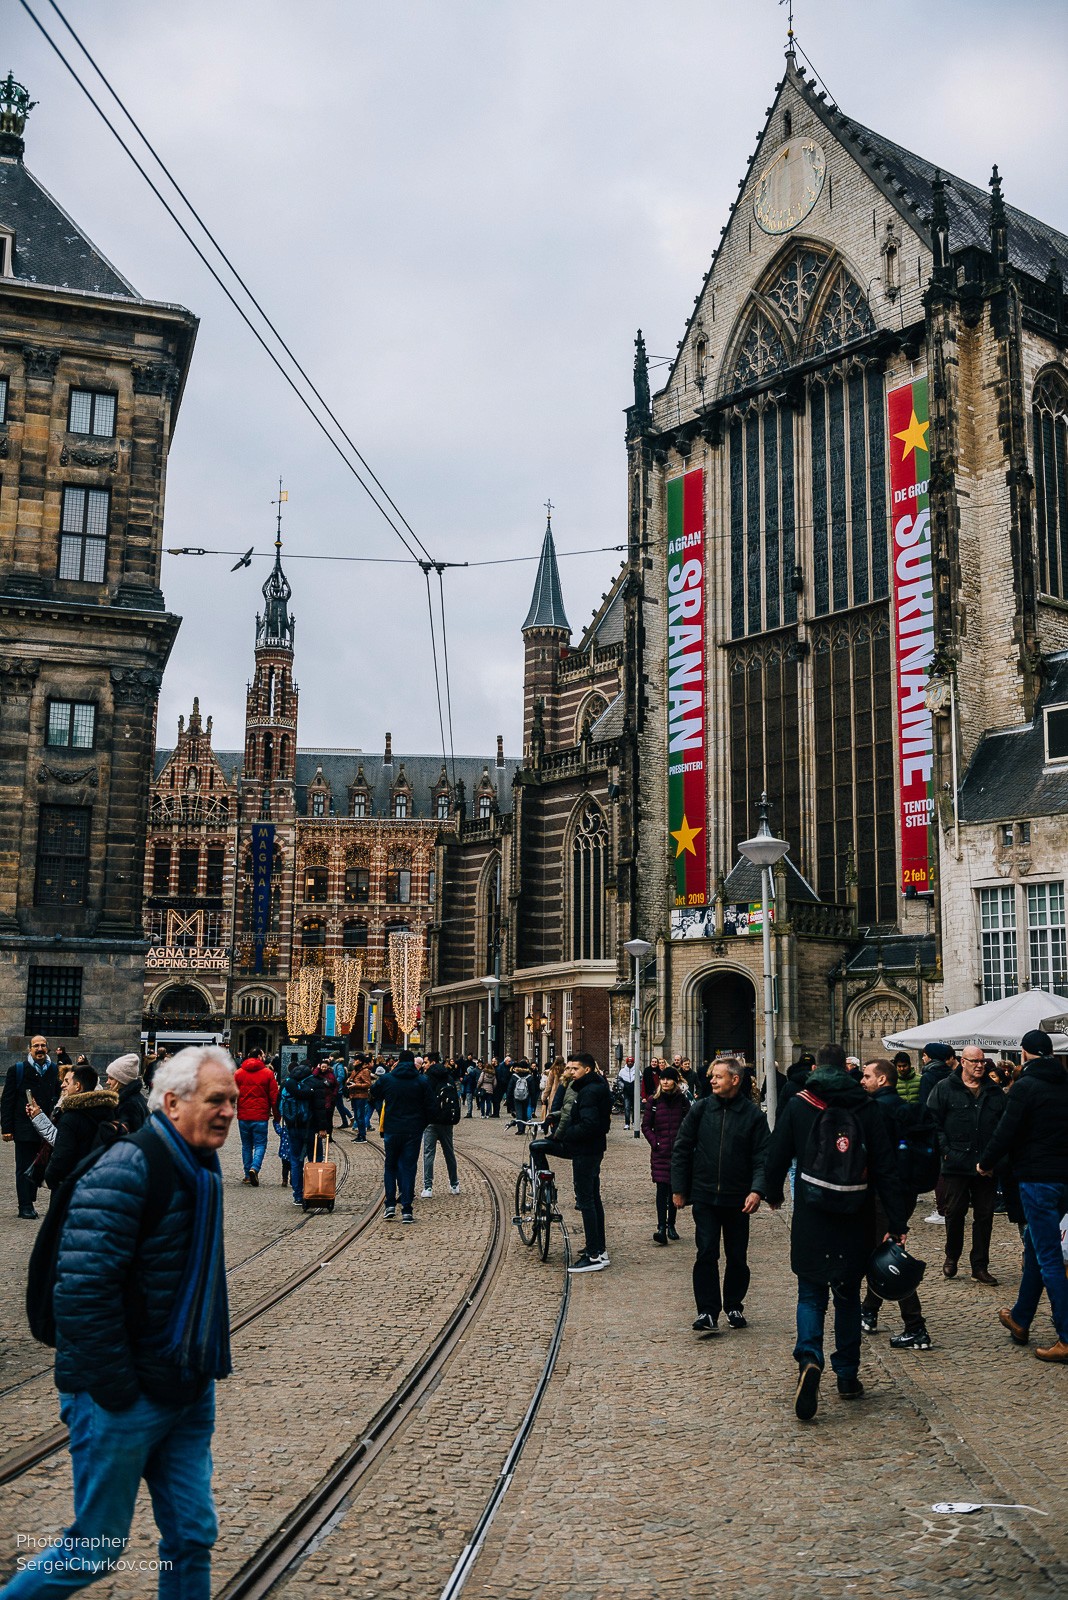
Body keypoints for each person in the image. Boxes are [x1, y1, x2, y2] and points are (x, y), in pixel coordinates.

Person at [1, 1046, 237, 1600]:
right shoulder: (131, 1167)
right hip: (125, 1393)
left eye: (232, 1098)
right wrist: (117, 1390)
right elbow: (81, 1289)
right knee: (96, 1548)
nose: (229, 1110)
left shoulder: (202, 1165)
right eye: (216, 1099)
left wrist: (191, 1371)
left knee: (191, 1537)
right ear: (172, 1103)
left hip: (184, 1382)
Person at [762, 1042, 908, 1421]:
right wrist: (897, 1223)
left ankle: (809, 1358)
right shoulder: (867, 1106)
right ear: (847, 1069)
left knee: (810, 1294)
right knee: (846, 1296)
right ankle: (847, 1375)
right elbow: (887, 1168)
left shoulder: (799, 1104)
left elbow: (776, 1152)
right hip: (854, 1213)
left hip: (813, 1213)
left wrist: (773, 1192)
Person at [978, 1028, 1068, 1363]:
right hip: (1063, 1181)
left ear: (1024, 1053)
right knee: (1035, 1247)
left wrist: (985, 1163)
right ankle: (1020, 1317)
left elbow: (1006, 1131)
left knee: (1049, 1259)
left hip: (1037, 1179)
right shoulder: (1064, 1083)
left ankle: (1066, 1336)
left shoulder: (1026, 1086)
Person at [671, 1056, 769, 1332]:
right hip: (704, 1196)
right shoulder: (701, 1109)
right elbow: (682, 1147)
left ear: (735, 1080)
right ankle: (707, 1311)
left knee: (737, 1256)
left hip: (738, 1198)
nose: (711, 1079)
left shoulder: (753, 1116)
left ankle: (734, 1305)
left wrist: (757, 1190)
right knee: (706, 1253)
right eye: (712, 1076)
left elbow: (763, 1156)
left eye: (718, 1076)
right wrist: (679, 1188)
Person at [859, 1059, 932, 1350]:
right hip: (905, 1192)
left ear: (882, 1080)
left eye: (867, 1076)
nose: (862, 1081)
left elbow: (877, 1158)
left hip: (885, 1194)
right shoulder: (902, 1107)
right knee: (882, 1250)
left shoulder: (876, 1110)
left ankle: (916, 1326)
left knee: (889, 1259)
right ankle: (869, 1311)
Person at [927, 1044, 1004, 1284]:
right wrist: (946, 1151)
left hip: (986, 1164)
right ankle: (952, 1256)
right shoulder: (944, 1089)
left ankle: (979, 1265)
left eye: (982, 1061)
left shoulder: (994, 1092)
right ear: (963, 1062)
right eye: (975, 1061)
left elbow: (1004, 1127)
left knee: (984, 1215)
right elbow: (933, 1122)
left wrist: (996, 1158)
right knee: (955, 1212)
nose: (980, 1065)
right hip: (956, 1163)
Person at [542, 1054, 613, 1274]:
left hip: (585, 1150)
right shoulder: (595, 1087)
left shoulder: (589, 1092)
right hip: (593, 1149)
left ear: (588, 1070)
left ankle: (593, 1256)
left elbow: (590, 1125)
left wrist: (566, 1135)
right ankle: (599, 1250)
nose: (570, 1072)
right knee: (593, 1198)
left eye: (575, 1069)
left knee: (586, 1201)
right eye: (569, 1068)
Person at [370, 1050, 435, 1221]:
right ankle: (407, 1208)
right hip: (413, 1130)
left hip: (392, 1129)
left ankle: (390, 1204)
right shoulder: (421, 1080)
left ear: (398, 1061)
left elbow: (374, 1092)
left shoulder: (388, 1079)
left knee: (390, 1166)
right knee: (408, 1168)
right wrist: (422, 1123)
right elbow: (431, 1106)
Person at [2, 1037, 61, 1219]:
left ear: (48, 1049)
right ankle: (25, 1206)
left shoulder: (54, 1070)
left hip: (47, 1127)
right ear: (30, 1049)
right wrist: (7, 1128)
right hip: (24, 1128)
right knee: (23, 1167)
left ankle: (31, 1202)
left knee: (39, 1166)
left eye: (43, 1045)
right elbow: (7, 1101)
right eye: (36, 1046)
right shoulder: (17, 1070)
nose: (40, 1048)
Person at [43, 1065, 121, 1191]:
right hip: (99, 1181)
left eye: (67, 1082)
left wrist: (51, 1177)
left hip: (72, 1184)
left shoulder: (70, 1117)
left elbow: (62, 1155)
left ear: (78, 1086)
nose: (63, 1086)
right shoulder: (109, 1111)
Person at [640, 1065, 689, 1245]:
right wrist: (655, 1142)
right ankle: (661, 1226)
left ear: (675, 1081)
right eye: (663, 1079)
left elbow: (689, 1122)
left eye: (669, 1079)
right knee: (661, 1190)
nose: (665, 1082)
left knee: (673, 1189)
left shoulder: (682, 1101)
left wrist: (683, 1142)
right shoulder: (654, 1101)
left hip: (677, 1152)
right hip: (660, 1152)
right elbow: (646, 1126)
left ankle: (672, 1225)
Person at [280, 1059, 327, 1207]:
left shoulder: (288, 1084)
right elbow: (320, 1109)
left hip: (293, 1127)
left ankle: (298, 1195)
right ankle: (314, 1190)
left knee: (295, 1161)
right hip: (311, 1128)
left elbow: (278, 1104)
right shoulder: (315, 1084)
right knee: (316, 1159)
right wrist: (323, 1128)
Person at [234, 1049, 279, 1186]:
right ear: (259, 1056)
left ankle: (247, 1175)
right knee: (260, 1144)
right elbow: (274, 1097)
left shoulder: (238, 1073)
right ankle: (255, 1168)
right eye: (263, 1055)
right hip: (260, 1115)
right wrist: (277, 1116)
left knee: (246, 1145)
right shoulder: (268, 1073)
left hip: (244, 1115)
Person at [421, 1058, 462, 1197]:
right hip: (446, 1121)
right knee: (449, 1153)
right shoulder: (448, 1078)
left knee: (428, 1154)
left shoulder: (427, 1079)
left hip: (431, 1122)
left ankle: (428, 1187)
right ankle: (454, 1184)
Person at [105, 1054, 149, 1133]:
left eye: (111, 1078)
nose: (107, 1082)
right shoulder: (134, 1098)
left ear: (121, 1081)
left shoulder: (128, 1104)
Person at [345, 1056, 373, 1140]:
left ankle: (362, 1135)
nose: (354, 1061)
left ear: (360, 1061)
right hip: (354, 1095)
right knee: (357, 1116)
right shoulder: (355, 1070)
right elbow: (351, 1079)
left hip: (361, 1096)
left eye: (356, 1060)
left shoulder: (365, 1071)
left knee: (360, 1116)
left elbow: (368, 1084)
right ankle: (360, 1134)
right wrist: (348, 1081)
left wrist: (356, 1085)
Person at [510, 1060, 535, 1134]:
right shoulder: (529, 1076)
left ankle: (520, 1129)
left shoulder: (514, 1076)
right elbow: (532, 1089)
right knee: (524, 1112)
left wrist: (509, 1098)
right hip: (526, 1096)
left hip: (516, 1096)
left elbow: (510, 1087)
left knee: (518, 1112)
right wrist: (533, 1099)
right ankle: (523, 1127)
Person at [617, 1056, 636, 1129]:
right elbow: (619, 1080)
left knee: (635, 1108)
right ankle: (627, 1123)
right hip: (626, 1091)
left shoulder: (637, 1070)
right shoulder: (622, 1071)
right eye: (629, 1061)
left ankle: (634, 1122)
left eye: (631, 1061)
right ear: (627, 1062)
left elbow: (641, 1080)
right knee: (627, 1107)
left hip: (635, 1091)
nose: (630, 1063)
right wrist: (623, 1086)